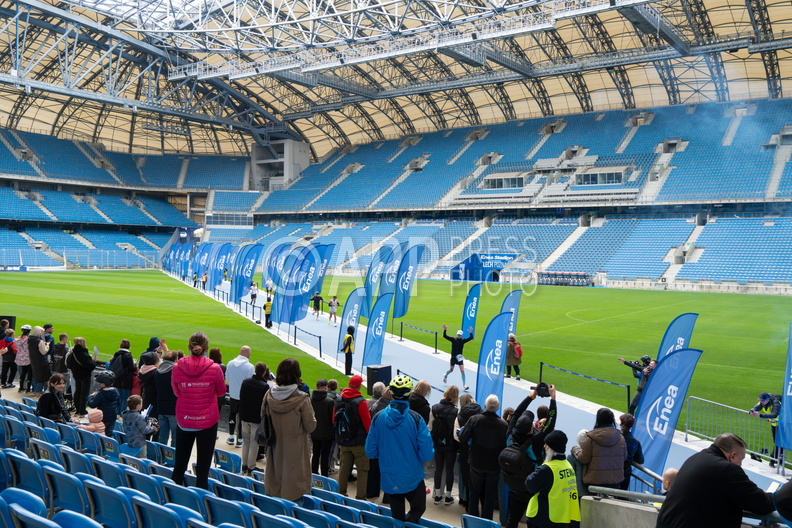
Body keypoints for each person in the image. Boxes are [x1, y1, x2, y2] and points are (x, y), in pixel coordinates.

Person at [656, 433, 774, 528]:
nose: (741, 464)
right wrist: (774, 496)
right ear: (732, 456)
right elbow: (761, 504)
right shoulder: (728, 469)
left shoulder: (696, 458)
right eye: (741, 459)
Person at [365, 375, 434, 523]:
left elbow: (370, 451)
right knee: (418, 509)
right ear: (409, 394)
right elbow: (427, 454)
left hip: (389, 476)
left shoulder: (378, 418)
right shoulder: (416, 419)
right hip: (412, 476)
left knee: (397, 517)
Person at [171, 331, 226, 489]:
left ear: (190, 347)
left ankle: (173, 497)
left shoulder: (177, 368)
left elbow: (177, 392)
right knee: (203, 468)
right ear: (206, 348)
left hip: (185, 419)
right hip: (206, 422)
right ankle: (201, 502)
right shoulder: (215, 368)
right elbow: (221, 392)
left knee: (179, 464)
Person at [261, 358, 317, 501]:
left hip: (276, 449)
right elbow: (311, 426)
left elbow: (263, 417)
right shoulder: (302, 399)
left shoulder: (268, 395)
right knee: (294, 494)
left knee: (278, 489)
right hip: (294, 452)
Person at [458, 394, 508, 520]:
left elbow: (462, 437)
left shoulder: (475, 420)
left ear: (485, 406)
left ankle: (473, 521)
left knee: (474, 494)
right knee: (489, 496)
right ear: (497, 408)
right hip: (493, 466)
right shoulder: (503, 425)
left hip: (476, 463)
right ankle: (486, 521)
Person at [525, 430, 581, 528]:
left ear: (551, 449)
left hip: (542, 517)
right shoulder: (568, 466)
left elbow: (529, 484)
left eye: (546, 445)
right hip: (561, 517)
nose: (544, 447)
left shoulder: (547, 469)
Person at [571, 408, 627, 493]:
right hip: (615, 481)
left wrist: (575, 449)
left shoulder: (590, 439)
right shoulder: (621, 438)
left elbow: (584, 458)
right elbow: (624, 457)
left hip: (595, 483)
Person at [336, 374, 372, 499]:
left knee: (344, 468)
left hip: (343, 440)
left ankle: (340, 494)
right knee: (362, 470)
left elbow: (333, 419)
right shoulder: (361, 402)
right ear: (359, 386)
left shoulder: (339, 398)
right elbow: (368, 423)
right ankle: (361, 497)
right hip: (359, 442)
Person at [239, 362, 270, 474]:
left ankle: (245, 465)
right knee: (253, 443)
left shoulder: (245, 382)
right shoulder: (264, 386)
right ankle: (251, 466)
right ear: (264, 372)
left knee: (246, 442)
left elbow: (241, 397)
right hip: (256, 418)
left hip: (245, 416)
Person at [431, 385, 459, 505]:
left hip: (437, 443)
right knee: (449, 470)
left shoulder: (434, 408)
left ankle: (437, 495)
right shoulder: (456, 411)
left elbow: (430, 427)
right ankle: (448, 496)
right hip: (450, 444)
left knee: (438, 468)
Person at [455, 393, 482, 509]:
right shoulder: (480, 416)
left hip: (464, 450)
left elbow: (455, 435)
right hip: (477, 451)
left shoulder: (459, 416)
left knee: (464, 475)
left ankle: (463, 499)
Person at [226, 346, 255, 447]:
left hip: (233, 394)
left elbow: (227, 379)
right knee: (241, 418)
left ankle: (231, 436)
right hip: (243, 397)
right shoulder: (250, 366)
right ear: (247, 353)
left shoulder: (230, 363)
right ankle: (239, 439)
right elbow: (251, 383)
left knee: (232, 414)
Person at [749, 391, 782, 467]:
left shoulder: (775, 402)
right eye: (760, 400)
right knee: (778, 443)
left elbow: (774, 414)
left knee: (779, 443)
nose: (761, 402)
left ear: (768, 399)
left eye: (763, 401)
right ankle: (779, 459)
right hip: (775, 424)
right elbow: (758, 406)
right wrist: (752, 410)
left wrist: (760, 415)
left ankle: (773, 460)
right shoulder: (765, 402)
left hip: (782, 425)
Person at [311, 378, 336, 477]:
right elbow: (333, 419)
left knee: (316, 454)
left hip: (314, 432)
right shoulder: (330, 402)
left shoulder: (310, 400)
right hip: (327, 433)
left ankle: (314, 473)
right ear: (326, 387)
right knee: (325, 456)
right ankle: (324, 475)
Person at [154, 350, 179, 446]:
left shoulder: (157, 371)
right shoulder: (175, 371)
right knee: (175, 436)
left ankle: (162, 456)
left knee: (162, 436)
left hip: (161, 406)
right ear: (176, 359)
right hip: (173, 407)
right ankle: (173, 458)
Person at [68, 337, 96, 417]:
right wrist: (93, 361)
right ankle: (82, 411)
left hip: (76, 375)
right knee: (84, 393)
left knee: (78, 391)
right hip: (85, 375)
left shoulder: (72, 353)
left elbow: (69, 364)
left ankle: (77, 410)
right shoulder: (83, 354)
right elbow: (91, 366)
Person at [442, 324, 474, 391]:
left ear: (462, 335)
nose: (459, 336)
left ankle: (464, 385)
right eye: (458, 335)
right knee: (451, 370)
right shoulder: (453, 339)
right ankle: (445, 376)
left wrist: (470, 332)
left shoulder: (463, 341)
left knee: (462, 371)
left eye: (460, 335)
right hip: (453, 358)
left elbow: (470, 338)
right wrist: (445, 330)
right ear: (457, 334)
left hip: (459, 358)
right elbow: (445, 336)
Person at [109, 339, 137, 414]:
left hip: (117, 378)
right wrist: (134, 364)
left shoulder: (116, 354)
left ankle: (117, 412)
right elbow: (132, 368)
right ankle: (122, 413)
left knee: (119, 397)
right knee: (125, 398)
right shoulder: (127, 356)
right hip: (125, 379)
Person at [619, 413, 644, 490]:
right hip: (625, 474)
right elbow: (640, 460)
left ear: (621, 422)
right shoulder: (635, 442)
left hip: (612, 471)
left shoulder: (614, 436)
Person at [28, 325, 51, 398]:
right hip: (40, 361)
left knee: (35, 375)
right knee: (41, 378)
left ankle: (34, 391)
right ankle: (37, 394)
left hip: (33, 359)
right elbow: (44, 352)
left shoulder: (29, 339)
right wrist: (47, 346)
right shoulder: (39, 341)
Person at [51, 333, 71, 402]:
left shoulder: (54, 347)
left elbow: (52, 358)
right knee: (62, 386)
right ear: (65, 339)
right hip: (63, 369)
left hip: (55, 368)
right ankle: (61, 400)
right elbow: (67, 360)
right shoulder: (66, 349)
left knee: (54, 384)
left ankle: (54, 398)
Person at [14, 325, 32, 393]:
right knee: (29, 373)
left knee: (23, 373)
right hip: (28, 358)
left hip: (20, 358)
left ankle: (21, 387)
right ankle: (28, 388)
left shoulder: (19, 338)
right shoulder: (28, 339)